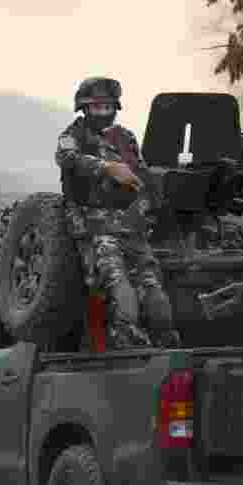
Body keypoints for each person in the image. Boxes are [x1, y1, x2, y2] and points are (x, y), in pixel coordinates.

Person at [55, 76, 181, 349]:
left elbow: (144, 176)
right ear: (84, 109)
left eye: (108, 107)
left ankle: (165, 342)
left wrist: (149, 205)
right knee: (118, 286)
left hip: (131, 225)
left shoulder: (126, 138)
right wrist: (107, 167)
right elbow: (67, 158)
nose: (103, 112)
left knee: (153, 289)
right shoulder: (73, 135)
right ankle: (127, 343)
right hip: (95, 225)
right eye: (96, 107)